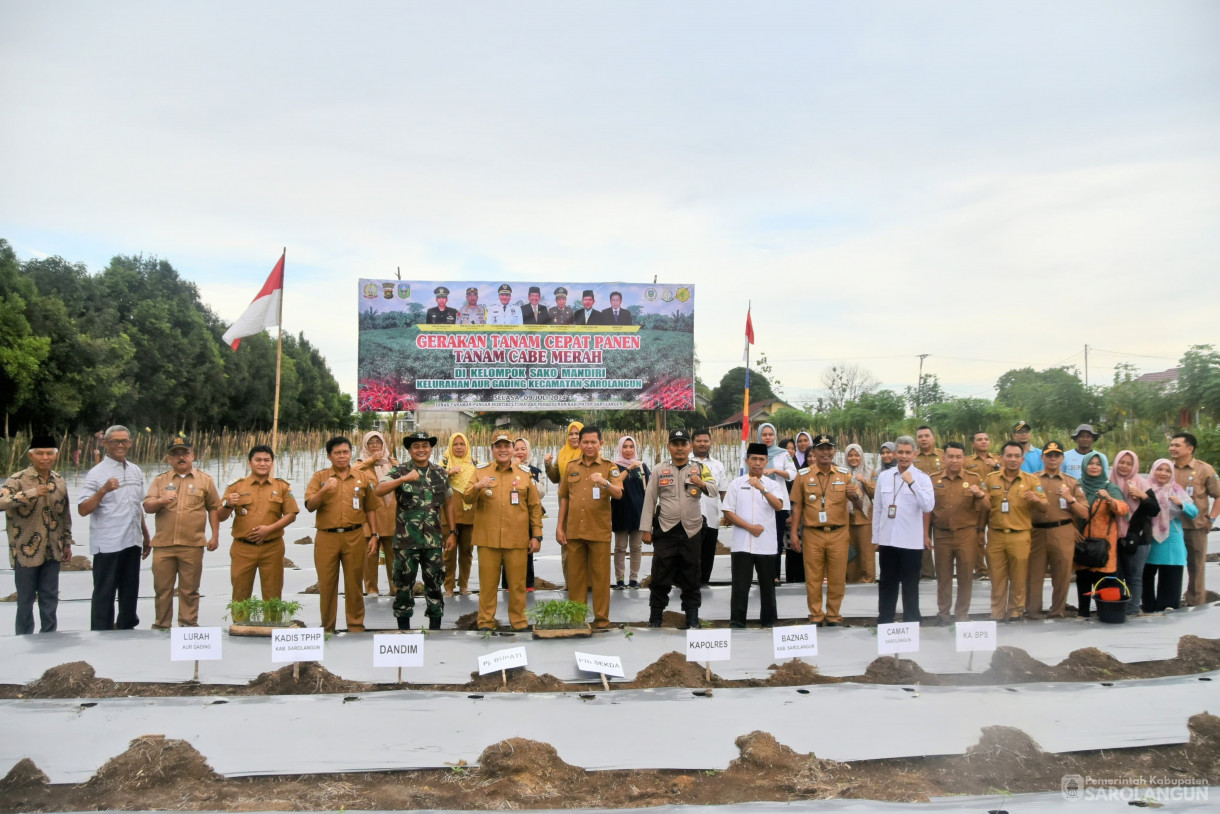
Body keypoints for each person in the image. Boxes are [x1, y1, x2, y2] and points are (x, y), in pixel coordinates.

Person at [374, 431, 454, 630]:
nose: (421, 450)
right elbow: (378, 490)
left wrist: (452, 531)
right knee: (403, 587)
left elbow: (448, 503)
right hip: (406, 542)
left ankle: (435, 630)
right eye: (416, 446)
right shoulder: (399, 471)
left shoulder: (440, 473)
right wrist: (403, 480)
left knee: (435, 585)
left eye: (425, 446)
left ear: (430, 449)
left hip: (433, 542)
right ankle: (404, 630)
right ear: (409, 450)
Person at [465, 432, 543, 630]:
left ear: (511, 449)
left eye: (506, 446)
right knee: (488, 586)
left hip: (516, 539)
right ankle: (485, 622)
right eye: (498, 446)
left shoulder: (525, 474)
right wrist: (477, 487)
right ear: (492, 449)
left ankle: (518, 622)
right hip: (488, 539)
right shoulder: (479, 472)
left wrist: (537, 535)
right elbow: (466, 498)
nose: (502, 450)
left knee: (517, 585)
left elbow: (534, 507)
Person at [304, 436, 382, 633]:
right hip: (327, 537)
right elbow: (310, 506)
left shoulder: (361, 477)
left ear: (350, 453)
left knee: (354, 583)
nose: (342, 456)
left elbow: (371, 507)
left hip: (354, 535)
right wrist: (324, 490)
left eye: (345, 452)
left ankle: (355, 625)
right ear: (329, 456)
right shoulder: (319, 477)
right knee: (327, 583)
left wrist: (374, 534)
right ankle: (328, 627)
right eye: (337, 453)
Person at [640, 429, 716, 628]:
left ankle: (692, 616)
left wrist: (702, 484)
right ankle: (656, 616)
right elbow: (650, 500)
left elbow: (715, 489)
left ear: (689, 447)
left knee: (692, 573)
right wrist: (646, 529)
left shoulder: (699, 468)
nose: (680, 448)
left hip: (692, 529)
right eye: (676, 444)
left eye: (683, 444)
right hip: (666, 529)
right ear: (669, 447)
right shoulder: (659, 469)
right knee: (660, 573)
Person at [143, 435, 221, 629]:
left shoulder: (205, 480)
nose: (180, 457)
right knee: (162, 590)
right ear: (169, 459)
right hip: (164, 545)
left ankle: (188, 626)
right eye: (175, 454)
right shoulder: (160, 481)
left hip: (192, 544)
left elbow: (214, 508)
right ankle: (162, 626)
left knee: (190, 590)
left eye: (184, 453)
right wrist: (161, 500)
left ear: (192, 456)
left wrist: (215, 535)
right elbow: (147, 506)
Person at [78, 425, 151, 630]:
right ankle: (102, 632)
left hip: (132, 540)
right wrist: (103, 490)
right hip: (109, 543)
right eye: (115, 441)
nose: (120, 445)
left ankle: (127, 627)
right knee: (105, 592)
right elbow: (83, 509)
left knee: (130, 590)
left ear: (130, 443)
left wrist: (145, 535)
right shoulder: (97, 473)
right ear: (106, 444)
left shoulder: (135, 470)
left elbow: (137, 506)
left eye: (124, 441)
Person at [1, 434, 73, 634]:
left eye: (49, 453)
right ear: (31, 456)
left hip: (53, 550)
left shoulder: (59, 480)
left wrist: (67, 543)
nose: (45, 457)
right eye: (40, 453)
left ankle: (48, 638)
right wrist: (31, 494)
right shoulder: (17, 479)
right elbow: (1, 502)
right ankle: (23, 640)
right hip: (25, 552)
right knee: (25, 600)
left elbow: (65, 515)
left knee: (50, 597)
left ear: (55, 456)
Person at [557, 426, 624, 630]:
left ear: (601, 444)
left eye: (593, 442)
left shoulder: (609, 466)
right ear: (580, 443)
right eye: (585, 442)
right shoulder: (571, 466)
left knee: (600, 578)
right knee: (575, 579)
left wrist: (604, 483)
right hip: (574, 530)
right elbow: (564, 497)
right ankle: (577, 619)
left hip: (599, 531)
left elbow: (619, 493)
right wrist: (560, 527)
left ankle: (602, 619)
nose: (589, 446)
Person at [789, 434, 859, 626]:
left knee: (837, 577)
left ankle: (834, 615)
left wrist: (855, 497)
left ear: (834, 451)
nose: (826, 452)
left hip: (838, 532)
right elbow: (797, 507)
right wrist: (794, 533)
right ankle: (816, 615)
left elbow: (859, 506)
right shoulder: (802, 476)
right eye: (821, 448)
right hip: (813, 533)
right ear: (814, 451)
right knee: (813, 577)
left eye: (829, 448)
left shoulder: (845, 475)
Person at [219, 444, 299, 603]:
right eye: (258, 460)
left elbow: (291, 514)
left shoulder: (282, 486)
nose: (262, 463)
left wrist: (269, 529)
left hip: (272, 547)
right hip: (243, 548)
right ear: (250, 462)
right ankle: (240, 627)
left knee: (273, 594)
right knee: (240, 593)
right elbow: (220, 516)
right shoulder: (236, 486)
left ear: (272, 462)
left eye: (266, 460)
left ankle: (272, 625)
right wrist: (228, 504)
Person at [872, 435, 935, 623]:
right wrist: (876, 536)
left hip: (911, 541)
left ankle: (912, 621)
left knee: (910, 585)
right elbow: (878, 509)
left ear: (914, 454)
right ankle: (885, 620)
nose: (904, 456)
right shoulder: (884, 477)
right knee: (886, 584)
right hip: (888, 539)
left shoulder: (922, 479)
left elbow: (928, 506)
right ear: (894, 453)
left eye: (908, 452)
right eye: (900, 452)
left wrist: (912, 483)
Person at [722, 442, 785, 628]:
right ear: (747, 460)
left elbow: (779, 506)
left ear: (766, 462)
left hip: (766, 545)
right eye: (754, 459)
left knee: (767, 586)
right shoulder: (736, 484)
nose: (757, 463)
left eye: (761, 459)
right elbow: (727, 511)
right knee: (740, 586)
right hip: (742, 544)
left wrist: (761, 488)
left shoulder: (772, 485)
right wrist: (749, 527)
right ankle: (737, 623)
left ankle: (769, 622)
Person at [984, 441, 1048, 622]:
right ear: (1001, 458)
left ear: (1022, 459)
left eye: (1016, 456)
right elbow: (984, 507)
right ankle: (996, 613)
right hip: (996, 535)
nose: (1012, 459)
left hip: (1020, 535)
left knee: (1019, 578)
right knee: (997, 578)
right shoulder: (991, 479)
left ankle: (1015, 612)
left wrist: (1036, 499)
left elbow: (1044, 507)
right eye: (1009, 456)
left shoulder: (1031, 480)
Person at [929, 442, 989, 623]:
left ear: (964, 458)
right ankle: (944, 613)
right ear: (943, 458)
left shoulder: (974, 478)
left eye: (958, 457)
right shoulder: (933, 479)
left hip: (966, 534)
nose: (954, 460)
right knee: (943, 576)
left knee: (965, 576)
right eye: (950, 456)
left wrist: (979, 495)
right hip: (942, 534)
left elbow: (988, 506)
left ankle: (962, 613)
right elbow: (927, 509)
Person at [1027, 441, 1087, 620]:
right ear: (1042, 457)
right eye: (1049, 455)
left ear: (1062, 458)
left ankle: (1057, 611)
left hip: (1062, 530)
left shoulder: (1071, 482)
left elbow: (1084, 512)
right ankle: (1033, 612)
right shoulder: (1031, 479)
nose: (1053, 459)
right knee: (1033, 575)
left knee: (1062, 574)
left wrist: (1070, 499)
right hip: (1036, 532)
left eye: (1057, 455)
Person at [1074, 451, 1130, 618]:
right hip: (1082, 542)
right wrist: (1072, 529)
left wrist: (1109, 499)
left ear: (1104, 467)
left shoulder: (1109, 487)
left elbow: (1123, 509)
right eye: (1091, 463)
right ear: (1084, 466)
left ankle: (1106, 614)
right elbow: (1067, 511)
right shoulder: (1076, 486)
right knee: (1083, 582)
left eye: (1098, 464)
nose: (1094, 467)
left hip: (1104, 545)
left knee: (1105, 583)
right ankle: (1083, 614)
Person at [1169, 432, 1220, 606]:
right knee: (1170, 566)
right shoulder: (1166, 468)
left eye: (1177, 445)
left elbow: (1218, 495)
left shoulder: (1204, 469)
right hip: (1170, 527)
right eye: (1171, 445)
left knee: (1196, 567)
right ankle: (1170, 601)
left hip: (1196, 527)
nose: (1172, 448)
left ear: (1190, 448)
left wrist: (1211, 519)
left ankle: (1195, 604)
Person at [1143, 458, 1198, 612]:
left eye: (1168, 470)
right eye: (1160, 469)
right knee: (1145, 576)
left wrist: (1181, 504)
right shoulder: (1145, 488)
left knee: (1171, 577)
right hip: (1148, 538)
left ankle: (1167, 609)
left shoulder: (1176, 490)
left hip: (1172, 538)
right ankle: (1147, 607)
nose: (1163, 473)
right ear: (1153, 470)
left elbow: (1194, 513)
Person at [1110, 449, 1160, 616]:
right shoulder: (1109, 482)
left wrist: (1142, 496)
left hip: (1139, 538)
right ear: (1116, 463)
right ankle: (1117, 608)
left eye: (1129, 463)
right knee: (1117, 575)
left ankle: (1131, 610)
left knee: (1135, 576)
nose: (1124, 466)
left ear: (1134, 466)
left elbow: (1154, 509)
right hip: (1113, 537)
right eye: (1122, 462)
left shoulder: (1141, 484)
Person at [354, 431, 397, 596]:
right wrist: (371, 460)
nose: (374, 446)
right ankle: (371, 589)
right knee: (370, 555)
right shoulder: (360, 464)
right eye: (370, 443)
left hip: (390, 515)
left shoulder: (392, 462)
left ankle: (395, 588)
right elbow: (353, 471)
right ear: (365, 445)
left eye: (378, 442)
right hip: (370, 516)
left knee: (393, 555)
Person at [439, 432, 478, 596]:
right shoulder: (444, 463)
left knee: (467, 551)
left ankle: (463, 585)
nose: (459, 447)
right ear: (450, 446)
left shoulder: (475, 463)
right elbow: (432, 481)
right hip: (449, 514)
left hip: (470, 513)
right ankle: (448, 587)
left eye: (462, 444)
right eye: (456, 444)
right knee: (448, 552)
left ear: (467, 446)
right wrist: (448, 473)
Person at [545, 420, 583, 582]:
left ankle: (585, 582)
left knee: (584, 543)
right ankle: (569, 582)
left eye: (577, 433)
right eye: (571, 434)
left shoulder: (588, 452)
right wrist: (547, 465)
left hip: (583, 505)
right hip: (565, 505)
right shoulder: (562, 453)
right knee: (566, 543)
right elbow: (555, 478)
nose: (574, 437)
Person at [757, 422, 796, 581]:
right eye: (764, 435)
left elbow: (793, 474)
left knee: (777, 540)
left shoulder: (783, 454)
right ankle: (763, 575)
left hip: (780, 502)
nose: (768, 438)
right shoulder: (755, 452)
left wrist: (775, 470)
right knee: (761, 540)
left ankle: (775, 576)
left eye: (770, 434)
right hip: (760, 503)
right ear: (759, 436)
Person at [611, 435, 649, 589]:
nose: (628, 450)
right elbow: (615, 482)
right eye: (625, 447)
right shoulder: (614, 466)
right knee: (620, 547)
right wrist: (628, 468)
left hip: (638, 512)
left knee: (636, 548)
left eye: (631, 447)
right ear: (620, 448)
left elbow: (648, 490)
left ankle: (634, 579)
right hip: (620, 511)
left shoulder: (642, 467)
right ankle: (620, 579)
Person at [691, 429, 727, 586]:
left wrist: (727, 514)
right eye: (699, 441)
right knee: (690, 554)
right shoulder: (685, 462)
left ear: (710, 443)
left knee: (707, 553)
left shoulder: (718, 465)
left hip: (711, 517)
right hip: (689, 518)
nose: (702, 444)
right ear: (692, 443)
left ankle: (704, 582)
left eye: (705, 441)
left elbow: (723, 491)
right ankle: (688, 583)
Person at [512, 437, 545, 591]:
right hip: (511, 516)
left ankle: (528, 584)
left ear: (528, 451)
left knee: (528, 549)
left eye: (523, 449)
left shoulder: (534, 470)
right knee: (509, 550)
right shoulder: (506, 469)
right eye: (516, 449)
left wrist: (526, 476)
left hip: (529, 515)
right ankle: (509, 584)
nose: (519, 452)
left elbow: (541, 492)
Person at [843, 443, 877, 583]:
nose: (853, 458)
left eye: (856, 455)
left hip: (865, 518)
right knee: (851, 552)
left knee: (866, 552)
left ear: (861, 456)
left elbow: (875, 493)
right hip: (847, 518)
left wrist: (864, 481)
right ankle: (851, 579)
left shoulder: (871, 472)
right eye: (850, 455)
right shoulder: (841, 472)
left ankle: (867, 579)